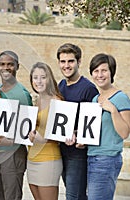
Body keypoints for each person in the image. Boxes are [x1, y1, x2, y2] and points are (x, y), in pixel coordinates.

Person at [56, 43, 98, 200]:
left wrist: (78, 134)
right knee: (78, 195)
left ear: (79, 62)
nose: (66, 66)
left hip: (78, 153)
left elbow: (94, 123)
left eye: (70, 61)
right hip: (61, 150)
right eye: (63, 61)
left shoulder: (88, 88)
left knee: (73, 196)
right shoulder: (60, 86)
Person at [87, 53, 130, 200]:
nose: (100, 75)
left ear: (112, 72)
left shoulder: (120, 98)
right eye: (96, 71)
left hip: (106, 160)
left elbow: (125, 133)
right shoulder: (95, 99)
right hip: (91, 157)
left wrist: (113, 110)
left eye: (104, 70)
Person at [0, 50, 33, 200]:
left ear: (17, 66)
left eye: (10, 64)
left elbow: (27, 130)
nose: (6, 67)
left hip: (14, 154)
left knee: (12, 197)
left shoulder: (22, 93)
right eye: (2, 64)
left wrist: (9, 140)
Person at [27, 62, 63, 200]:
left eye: (43, 77)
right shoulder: (36, 100)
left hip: (48, 160)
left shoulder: (57, 101)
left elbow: (61, 133)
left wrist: (44, 139)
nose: (39, 81)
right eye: (35, 78)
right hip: (32, 159)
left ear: (49, 79)